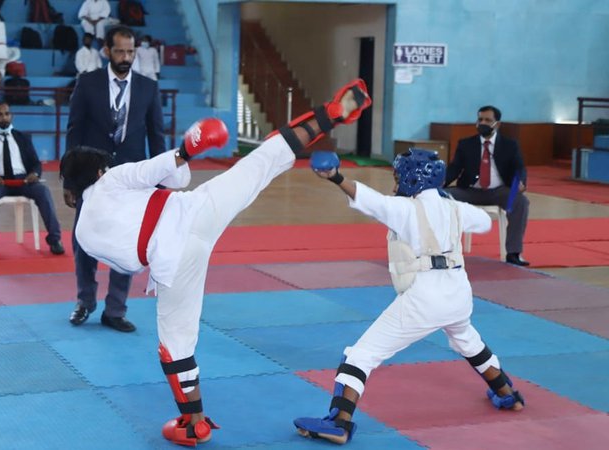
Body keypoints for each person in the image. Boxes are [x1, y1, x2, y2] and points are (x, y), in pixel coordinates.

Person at [61, 79, 370, 446]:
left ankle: (194, 423)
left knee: (175, 345)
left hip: (171, 262)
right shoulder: (112, 177)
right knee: (264, 158)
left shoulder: (82, 235)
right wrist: (186, 151)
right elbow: (158, 169)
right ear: (97, 171)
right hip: (197, 211)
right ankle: (331, 112)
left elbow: (128, 265)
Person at [293, 147, 526, 446]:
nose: (394, 182)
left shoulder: (405, 210)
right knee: (467, 341)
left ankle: (339, 421)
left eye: (397, 176)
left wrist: (336, 177)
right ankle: (508, 395)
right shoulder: (455, 207)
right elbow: (485, 223)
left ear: (411, 179)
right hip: (458, 294)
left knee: (360, 355)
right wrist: (449, 205)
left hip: (424, 299)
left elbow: (370, 201)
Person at [65, 25, 166, 333]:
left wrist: (159, 178)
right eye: (120, 51)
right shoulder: (87, 83)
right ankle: (85, 301)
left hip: (132, 178)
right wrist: (70, 179)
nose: (126, 57)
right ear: (107, 50)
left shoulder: (148, 87)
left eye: (131, 51)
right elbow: (74, 130)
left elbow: (156, 136)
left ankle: (115, 309)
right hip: (91, 177)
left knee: (126, 244)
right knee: (84, 241)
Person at [0, 102, 65, 258]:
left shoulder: (23, 137)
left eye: (7, 114)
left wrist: (35, 173)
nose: (4, 117)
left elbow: (35, 163)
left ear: (11, 116)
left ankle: (55, 239)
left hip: (23, 181)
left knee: (43, 191)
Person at [444, 105, 530, 266]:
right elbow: (454, 168)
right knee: (440, 197)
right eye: (480, 119)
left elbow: (519, 167)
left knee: (520, 202)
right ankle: (442, 250)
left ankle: (513, 253)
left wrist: (520, 182)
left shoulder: (510, 145)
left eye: (487, 120)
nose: (482, 123)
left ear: (497, 124)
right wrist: (439, 184)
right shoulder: (466, 144)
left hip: (499, 191)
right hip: (468, 190)